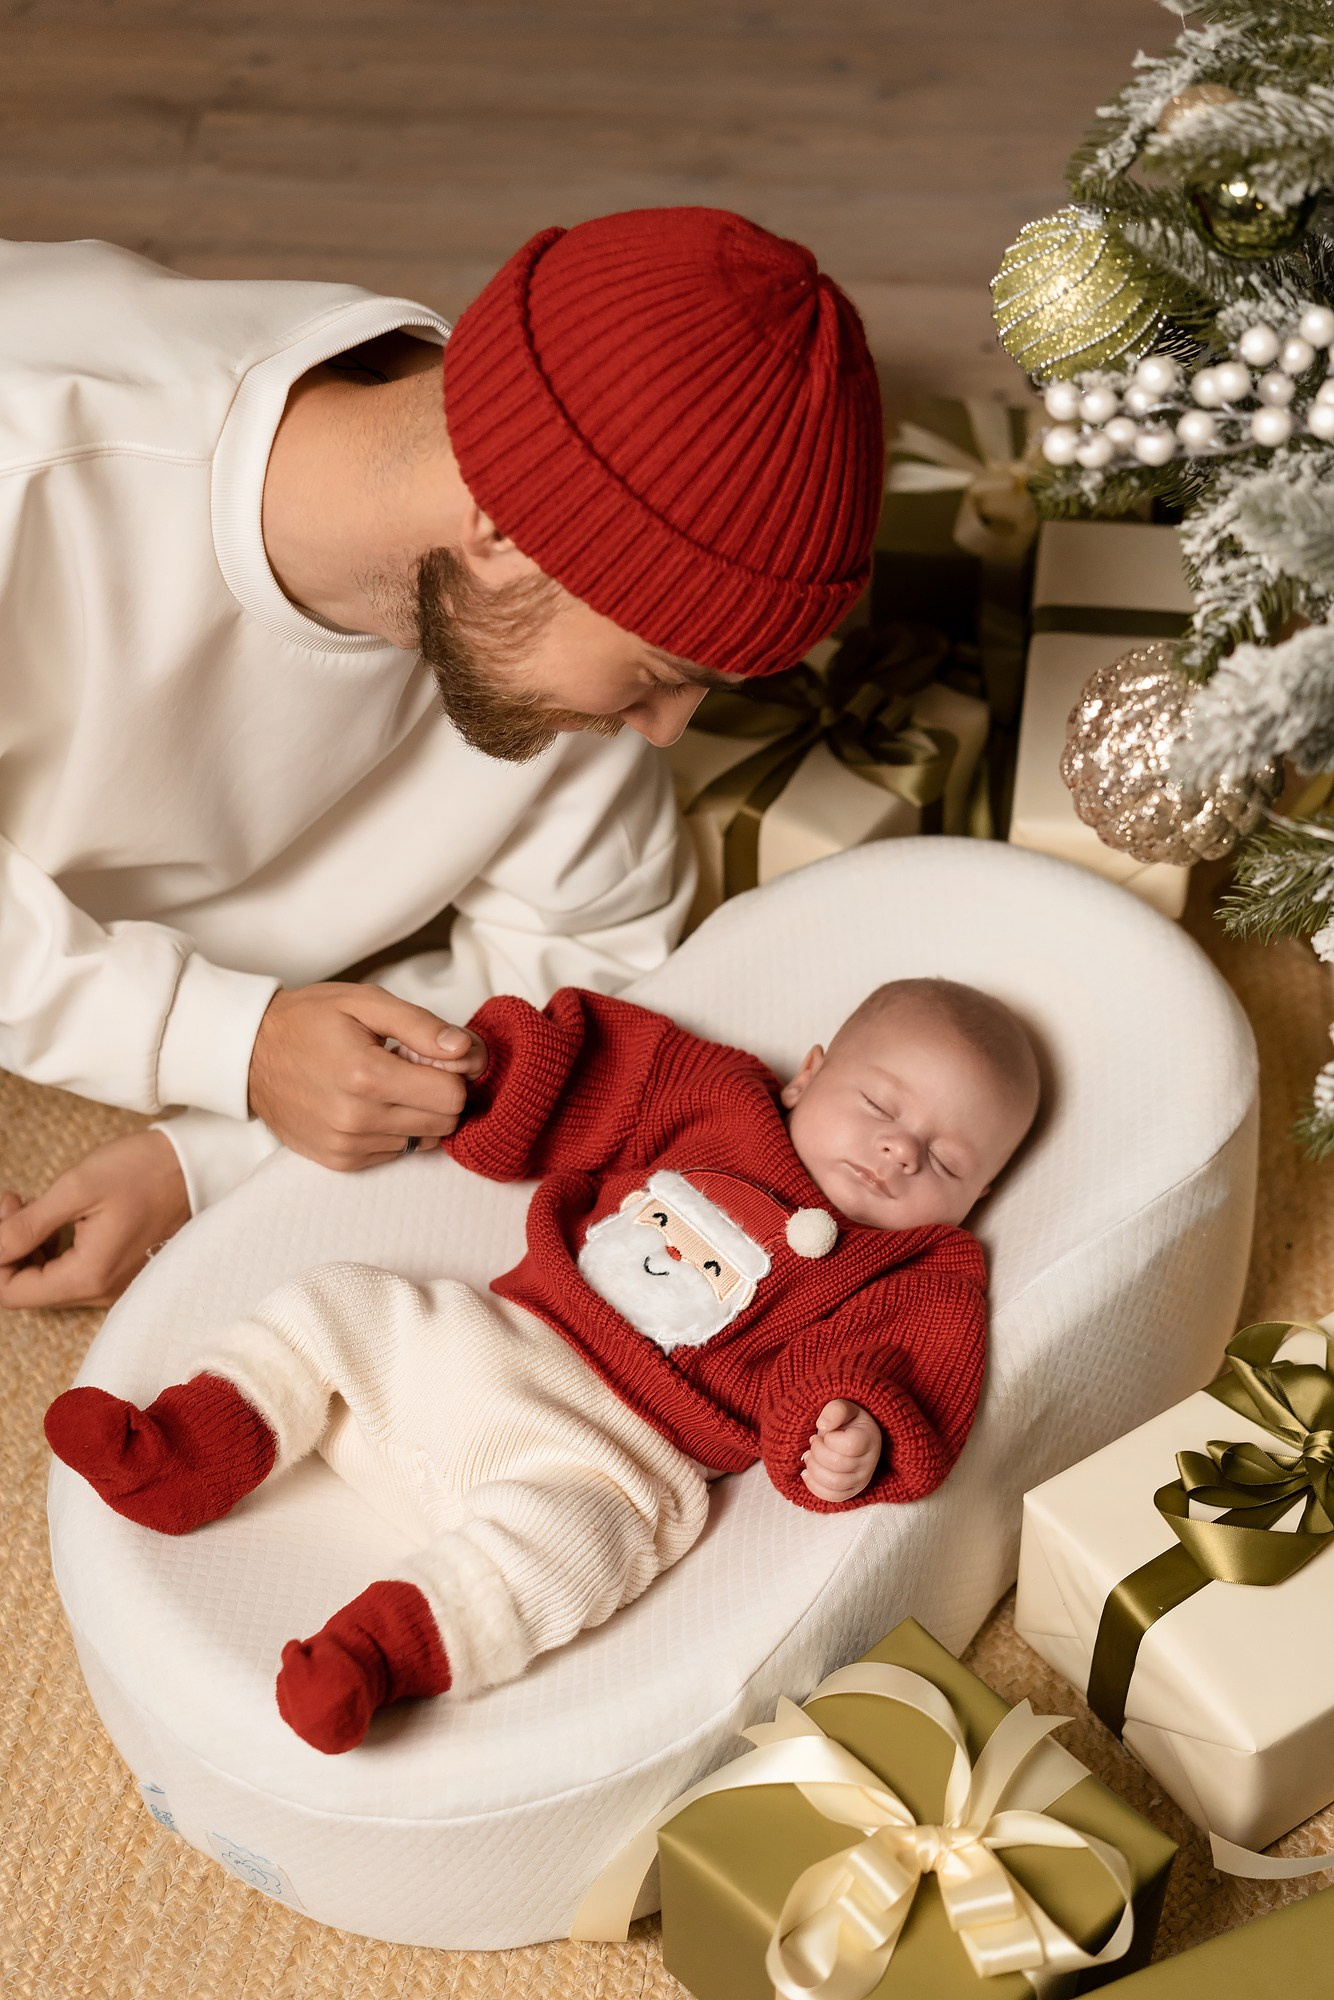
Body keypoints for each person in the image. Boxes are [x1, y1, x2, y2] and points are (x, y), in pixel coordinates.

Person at [0, 206, 884, 1311]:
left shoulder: (534, 591)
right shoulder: (31, 457)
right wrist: (219, 1039)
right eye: (658, 670)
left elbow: (585, 968)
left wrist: (206, 1157)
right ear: (505, 531)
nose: (666, 731)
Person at [45, 976, 1040, 1753]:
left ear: (980, 1194)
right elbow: (590, 1072)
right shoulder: (714, 1099)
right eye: (878, 1102)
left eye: (947, 1162)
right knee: (339, 1301)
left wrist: (847, 1425)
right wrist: (496, 1073)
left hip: (616, 1460)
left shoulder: (920, 1269)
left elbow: (897, 1370)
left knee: (568, 1551)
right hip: (490, 1339)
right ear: (807, 1071)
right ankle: (190, 1444)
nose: (898, 1151)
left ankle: (380, 1650)